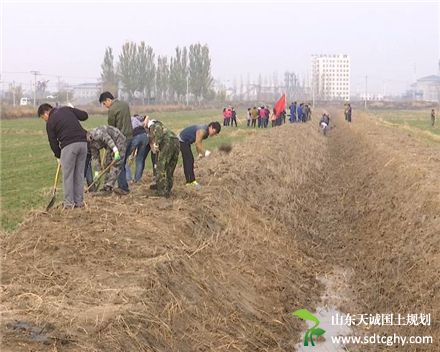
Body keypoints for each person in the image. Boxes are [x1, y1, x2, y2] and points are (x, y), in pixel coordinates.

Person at [38, 103, 88, 209]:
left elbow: (53, 142)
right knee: (79, 174)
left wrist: (59, 156)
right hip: (83, 144)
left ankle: (69, 204)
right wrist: (72, 111)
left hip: (69, 145)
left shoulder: (50, 122)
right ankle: (79, 202)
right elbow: (84, 116)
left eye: (43, 118)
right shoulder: (66, 109)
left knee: (68, 176)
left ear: (46, 113)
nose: (45, 120)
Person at [99, 91, 133, 194]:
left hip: (121, 140)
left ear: (108, 100)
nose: (105, 107)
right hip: (130, 137)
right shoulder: (125, 104)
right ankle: (123, 184)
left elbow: (111, 128)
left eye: (104, 104)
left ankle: (123, 188)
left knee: (119, 164)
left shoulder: (112, 110)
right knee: (123, 162)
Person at [144, 118, 180, 197]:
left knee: (160, 168)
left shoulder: (154, 126)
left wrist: (156, 144)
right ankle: (168, 189)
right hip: (176, 142)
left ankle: (161, 191)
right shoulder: (163, 126)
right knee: (170, 168)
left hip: (168, 143)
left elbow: (157, 139)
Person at [178, 122, 221, 187]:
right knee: (188, 160)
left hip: (186, 142)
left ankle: (190, 181)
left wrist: (199, 153)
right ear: (211, 127)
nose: (214, 134)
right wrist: (205, 152)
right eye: (214, 132)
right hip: (181, 140)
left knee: (190, 160)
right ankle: (190, 182)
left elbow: (199, 142)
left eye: (215, 133)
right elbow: (197, 143)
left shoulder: (206, 133)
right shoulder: (202, 131)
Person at [87, 126, 126, 196]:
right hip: (109, 146)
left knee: (116, 164)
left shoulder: (98, 132)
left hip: (118, 139)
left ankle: (108, 187)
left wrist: (116, 152)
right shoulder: (90, 145)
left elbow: (109, 141)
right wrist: (96, 173)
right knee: (107, 163)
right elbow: (95, 158)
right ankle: (105, 186)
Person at [126, 114, 148, 184]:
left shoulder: (129, 119)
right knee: (140, 159)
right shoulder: (138, 119)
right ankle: (137, 180)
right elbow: (146, 117)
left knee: (123, 159)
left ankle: (129, 179)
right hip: (145, 136)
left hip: (135, 136)